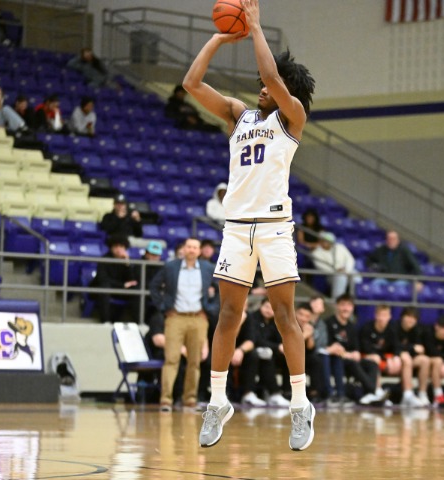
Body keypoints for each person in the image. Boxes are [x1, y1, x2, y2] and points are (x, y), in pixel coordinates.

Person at [183, 0, 316, 450]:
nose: (262, 87)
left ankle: (300, 406)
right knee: (228, 316)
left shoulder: (292, 117)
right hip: (237, 227)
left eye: (269, 85)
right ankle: (217, 402)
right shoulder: (238, 115)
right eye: (260, 84)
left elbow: (274, 78)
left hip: (275, 227)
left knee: (284, 317)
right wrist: (218, 38)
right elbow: (191, 83)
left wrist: (256, 26)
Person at [149, 238, 219, 412]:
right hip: (175, 318)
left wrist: (210, 308)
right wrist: (164, 307)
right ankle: (166, 400)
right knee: (171, 359)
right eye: (189, 247)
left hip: (198, 318)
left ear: (199, 251)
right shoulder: (170, 267)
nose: (192, 250)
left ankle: (190, 399)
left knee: (194, 361)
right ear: (184, 249)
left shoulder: (208, 268)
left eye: (195, 247)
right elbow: (154, 286)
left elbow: (221, 289)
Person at [324, 294, 379, 405]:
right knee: (350, 362)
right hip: (334, 361)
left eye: (349, 305)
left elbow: (356, 350)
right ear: (337, 306)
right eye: (343, 305)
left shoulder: (352, 326)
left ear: (353, 308)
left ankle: (369, 393)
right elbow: (328, 347)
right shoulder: (328, 323)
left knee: (372, 364)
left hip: (349, 360)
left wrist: (354, 354)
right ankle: (373, 391)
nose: (346, 308)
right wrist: (344, 354)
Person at [248, 297, 291, 407]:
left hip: (271, 351)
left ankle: (287, 392)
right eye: (266, 307)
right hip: (253, 349)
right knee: (266, 356)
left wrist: (282, 346)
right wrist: (277, 347)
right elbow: (256, 339)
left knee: (289, 357)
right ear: (261, 305)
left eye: (272, 309)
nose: (269, 310)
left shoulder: (276, 321)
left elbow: (280, 339)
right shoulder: (252, 318)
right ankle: (273, 393)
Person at [90, 235, 139, 323]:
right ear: (111, 248)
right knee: (105, 287)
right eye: (116, 246)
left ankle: (137, 321)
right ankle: (105, 321)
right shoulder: (104, 260)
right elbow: (103, 279)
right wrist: (122, 285)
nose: (118, 249)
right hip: (104, 288)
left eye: (121, 246)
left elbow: (132, 280)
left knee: (138, 290)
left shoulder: (128, 261)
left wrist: (127, 264)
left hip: (121, 290)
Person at [358, 305, 400, 406]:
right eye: (380, 315)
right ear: (375, 315)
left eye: (385, 315)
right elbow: (366, 349)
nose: (382, 318)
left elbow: (397, 347)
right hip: (365, 357)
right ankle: (377, 391)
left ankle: (405, 393)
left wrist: (395, 357)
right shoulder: (367, 328)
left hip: (383, 359)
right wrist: (385, 358)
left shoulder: (392, 329)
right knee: (375, 358)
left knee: (401, 359)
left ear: (389, 317)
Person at [395, 307, 431, 407]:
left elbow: (420, 349)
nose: (410, 320)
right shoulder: (394, 327)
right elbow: (395, 346)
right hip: (394, 358)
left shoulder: (417, 330)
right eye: (408, 316)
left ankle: (422, 394)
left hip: (410, 358)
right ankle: (407, 395)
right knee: (406, 358)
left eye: (414, 318)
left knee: (425, 360)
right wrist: (411, 348)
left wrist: (411, 349)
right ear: (402, 317)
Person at [311, 231, 357, 299]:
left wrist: (346, 270)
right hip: (331, 275)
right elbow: (322, 267)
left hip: (346, 270)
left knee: (356, 277)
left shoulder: (340, 247)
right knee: (341, 278)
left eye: (328, 241)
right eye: (324, 241)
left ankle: (354, 299)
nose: (326, 243)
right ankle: (337, 300)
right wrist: (337, 271)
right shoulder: (316, 253)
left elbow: (350, 259)